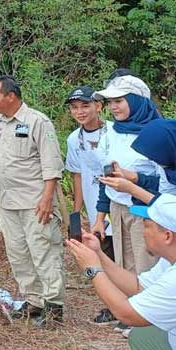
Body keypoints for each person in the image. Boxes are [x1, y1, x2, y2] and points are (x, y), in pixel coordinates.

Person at [66, 193, 176, 350]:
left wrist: (93, 270)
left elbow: (126, 313)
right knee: (143, 336)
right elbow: (137, 286)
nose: (142, 230)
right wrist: (98, 254)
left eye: (146, 225)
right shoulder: (172, 260)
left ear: (167, 235)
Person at [0, 75, 65, 328]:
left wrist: (47, 199)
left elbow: (51, 165)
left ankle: (54, 308)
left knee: (43, 252)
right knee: (18, 254)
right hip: (9, 202)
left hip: (35, 201)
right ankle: (34, 302)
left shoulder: (38, 122)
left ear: (10, 96)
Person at [92, 76, 176, 281]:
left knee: (148, 269)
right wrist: (100, 218)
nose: (113, 107)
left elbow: (171, 184)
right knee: (123, 266)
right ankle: (127, 310)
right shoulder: (111, 132)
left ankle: (149, 311)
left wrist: (135, 179)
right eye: (110, 102)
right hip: (118, 209)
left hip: (147, 211)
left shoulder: (159, 134)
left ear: (137, 101)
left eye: (119, 101)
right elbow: (107, 176)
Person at [63, 86, 116, 325]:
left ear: (99, 106)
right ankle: (112, 306)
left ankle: (131, 306)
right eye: (74, 107)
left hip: (118, 203)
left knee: (124, 255)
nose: (80, 111)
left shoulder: (113, 133)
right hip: (95, 208)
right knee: (103, 254)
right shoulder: (74, 139)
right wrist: (78, 208)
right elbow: (76, 174)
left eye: (85, 105)